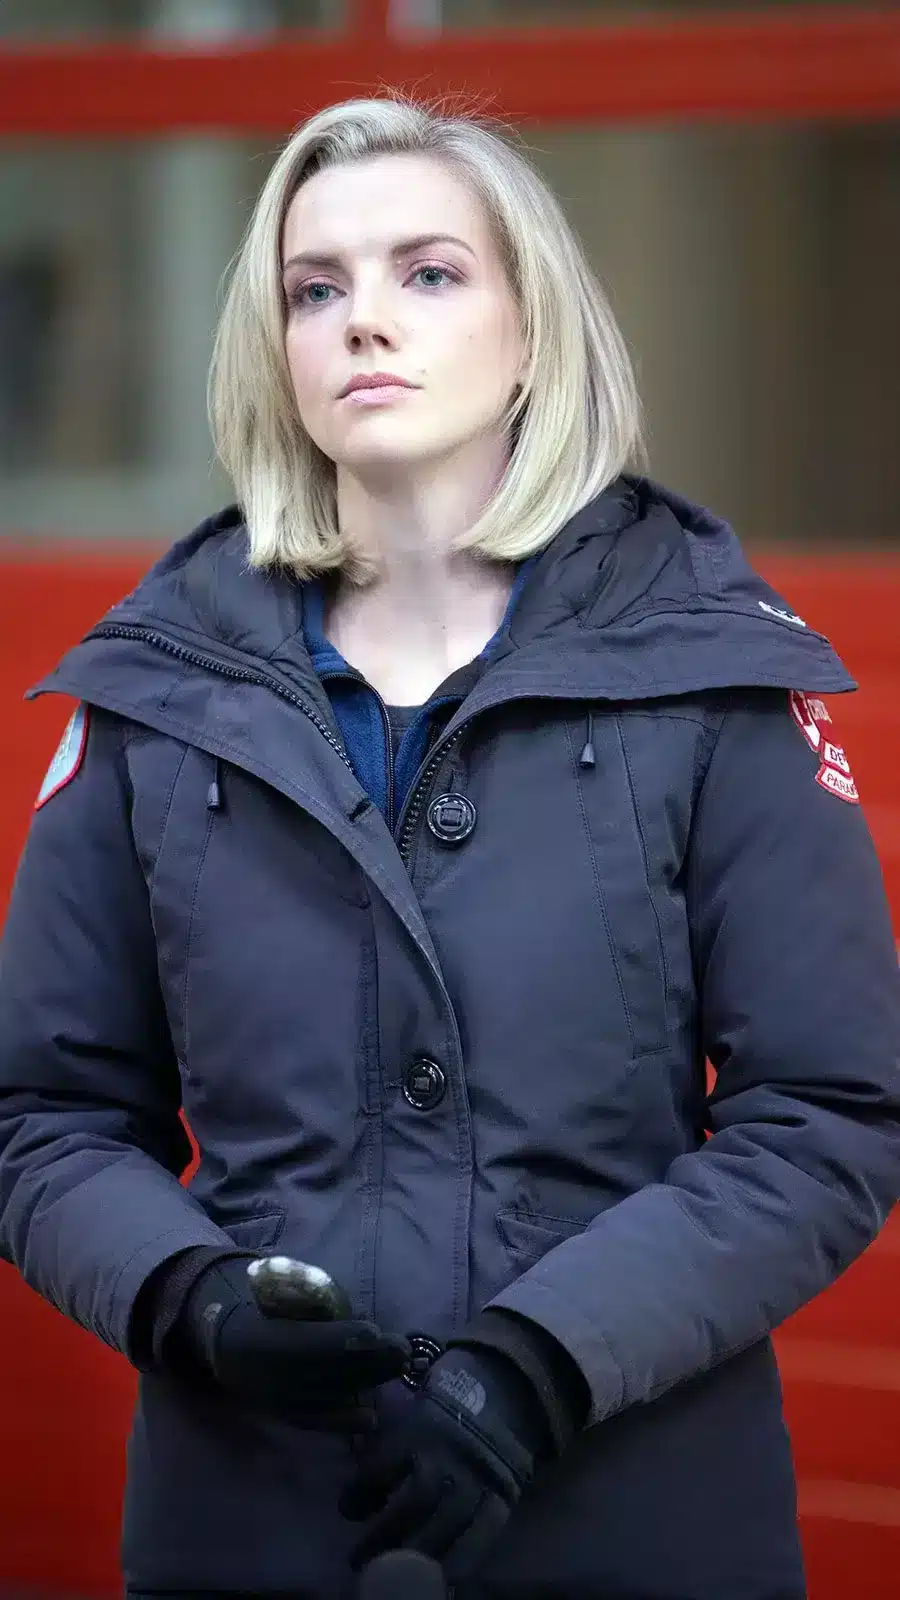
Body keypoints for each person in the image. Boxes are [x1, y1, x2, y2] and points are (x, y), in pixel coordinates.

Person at [0, 92, 898, 1600]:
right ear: (277, 351)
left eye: (428, 273)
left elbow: (826, 1116)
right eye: (315, 289)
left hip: (635, 1526)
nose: (364, 320)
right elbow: (43, 1115)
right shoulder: (153, 693)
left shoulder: (715, 673)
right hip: (255, 1529)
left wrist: (542, 1364)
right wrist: (193, 1297)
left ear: (531, 331)